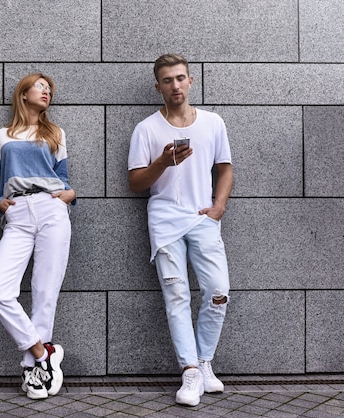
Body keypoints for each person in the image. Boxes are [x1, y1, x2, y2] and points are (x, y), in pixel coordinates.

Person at [127, 54, 233, 407]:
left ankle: (205, 362)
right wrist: (163, 162)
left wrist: (218, 207)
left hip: (203, 218)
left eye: (180, 78)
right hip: (165, 220)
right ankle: (189, 371)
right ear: (158, 87)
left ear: (190, 81)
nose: (175, 85)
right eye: (168, 80)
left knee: (218, 290)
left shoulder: (213, 123)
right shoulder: (147, 129)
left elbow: (225, 168)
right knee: (177, 297)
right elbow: (135, 182)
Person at [0, 73, 76, 400]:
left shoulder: (55, 134)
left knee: (44, 292)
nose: (47, 92)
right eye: (40, 87)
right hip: (18, 213)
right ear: (23, 94)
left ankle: (35, 372)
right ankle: (41, 352)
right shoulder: (2, 137)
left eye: (50, 89)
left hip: (51, 210)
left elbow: (62, 180)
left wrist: (68, 195)